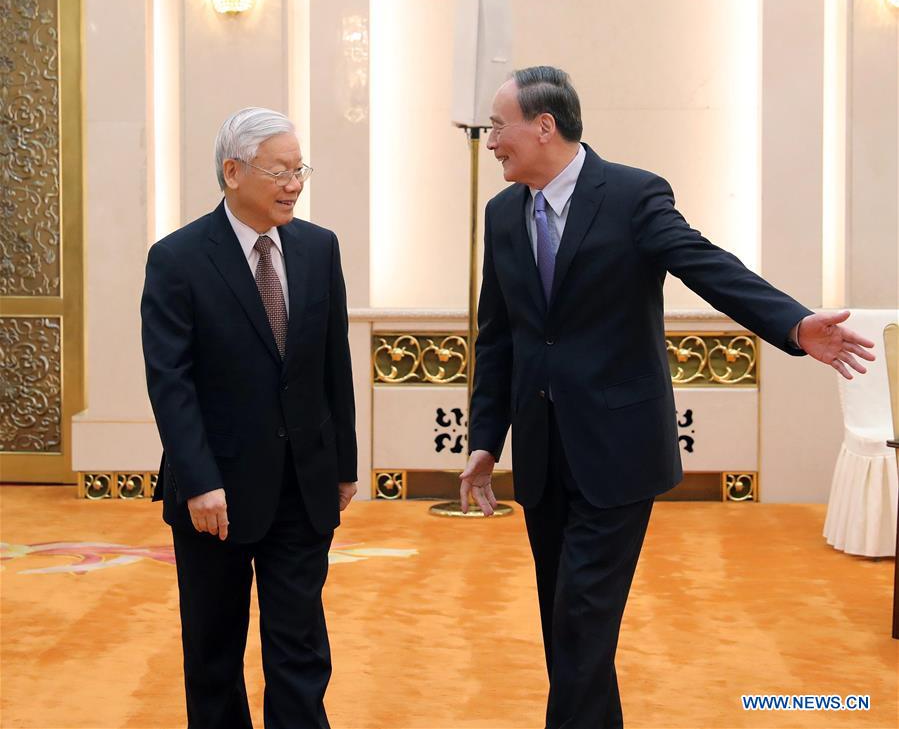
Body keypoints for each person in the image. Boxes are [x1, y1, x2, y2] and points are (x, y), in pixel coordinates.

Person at [459, 66, 875, 729]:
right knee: (566, 625)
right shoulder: (501, 213)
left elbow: (704, 263)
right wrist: (484, 442)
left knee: (579, 621)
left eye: (497, 125)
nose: (489, 141)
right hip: (542, 456)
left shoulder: (630, 194)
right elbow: (497, 337)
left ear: (543, 126)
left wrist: (792, 323)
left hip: (618, 453)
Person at [141, 107, 357, 729]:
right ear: (233, 173)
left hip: (302, 485)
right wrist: (201, 480)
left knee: (300, 650)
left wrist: (343, 463)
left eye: (299, 170)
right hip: (217, 493)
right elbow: (171, 383)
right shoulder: (177, 258)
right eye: (279, 171)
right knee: (214, 654)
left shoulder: (319, 248)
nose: (294, 183)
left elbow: (331, 363)